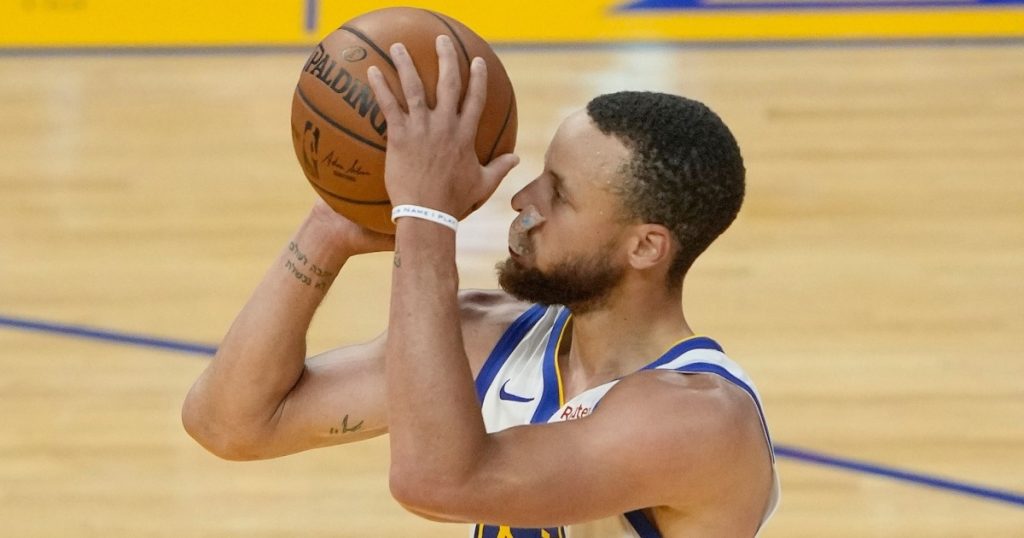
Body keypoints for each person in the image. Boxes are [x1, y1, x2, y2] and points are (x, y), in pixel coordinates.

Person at [182, 35, 779, 537]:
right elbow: (231, 424)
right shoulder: (487, 338)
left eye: (559, 195)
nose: (523, 201)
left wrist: (425, 217)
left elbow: (437, 482)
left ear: (645, 247)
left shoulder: (699, 421)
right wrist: (330, 227)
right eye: (540, 176)